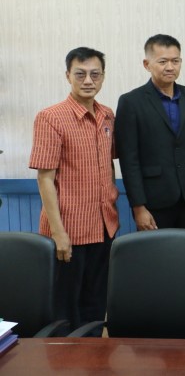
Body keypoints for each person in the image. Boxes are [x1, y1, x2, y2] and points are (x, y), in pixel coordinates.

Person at [29, 47, 119, 334]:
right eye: (80, 74)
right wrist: (58, 233)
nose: (88, 80)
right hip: (69, 230)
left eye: (95, 74)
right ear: (68, 75)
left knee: (95, 307)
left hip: (104, 226)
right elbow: (45, 179)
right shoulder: (51, 117)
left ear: (103, 76)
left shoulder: (107, 115)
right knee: (65, 312)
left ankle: (93, 356)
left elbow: (109, 165)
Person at [116, 34, 185, 230]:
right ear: (147, 64)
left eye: (175, 61)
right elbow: (129, 160)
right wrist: (138, 207)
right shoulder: (131, 102)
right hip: (153, 201)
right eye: (163, 61)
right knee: (155, 250)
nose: (170, 67)